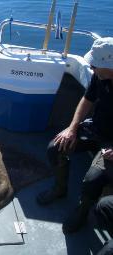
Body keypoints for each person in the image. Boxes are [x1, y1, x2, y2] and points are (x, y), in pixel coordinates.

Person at [36, 37, 113, 234]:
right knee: (55, 147)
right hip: (95, 129)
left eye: (95, 65)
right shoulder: (100, 76)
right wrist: (72, 127)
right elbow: (87, 100)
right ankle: (60, 189)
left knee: (92, 180)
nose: (92, 68)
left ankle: (83, 211)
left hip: (110, 144)